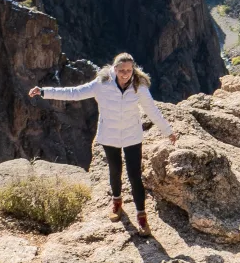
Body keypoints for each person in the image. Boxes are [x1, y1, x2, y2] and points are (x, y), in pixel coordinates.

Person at [29, 53, 176, 236]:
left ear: (133, 69)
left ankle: (141, 215)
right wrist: (44, 92)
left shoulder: (140, 87)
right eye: (121, 70)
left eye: (128, 70)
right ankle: (117, 202)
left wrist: (168, 131)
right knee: (115, 170)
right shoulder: (102, 84)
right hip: (110, 135)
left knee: (135, 175)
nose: (125, 74)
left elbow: (152, 111)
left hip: (132, 136)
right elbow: (75, 93)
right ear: (114, 69)